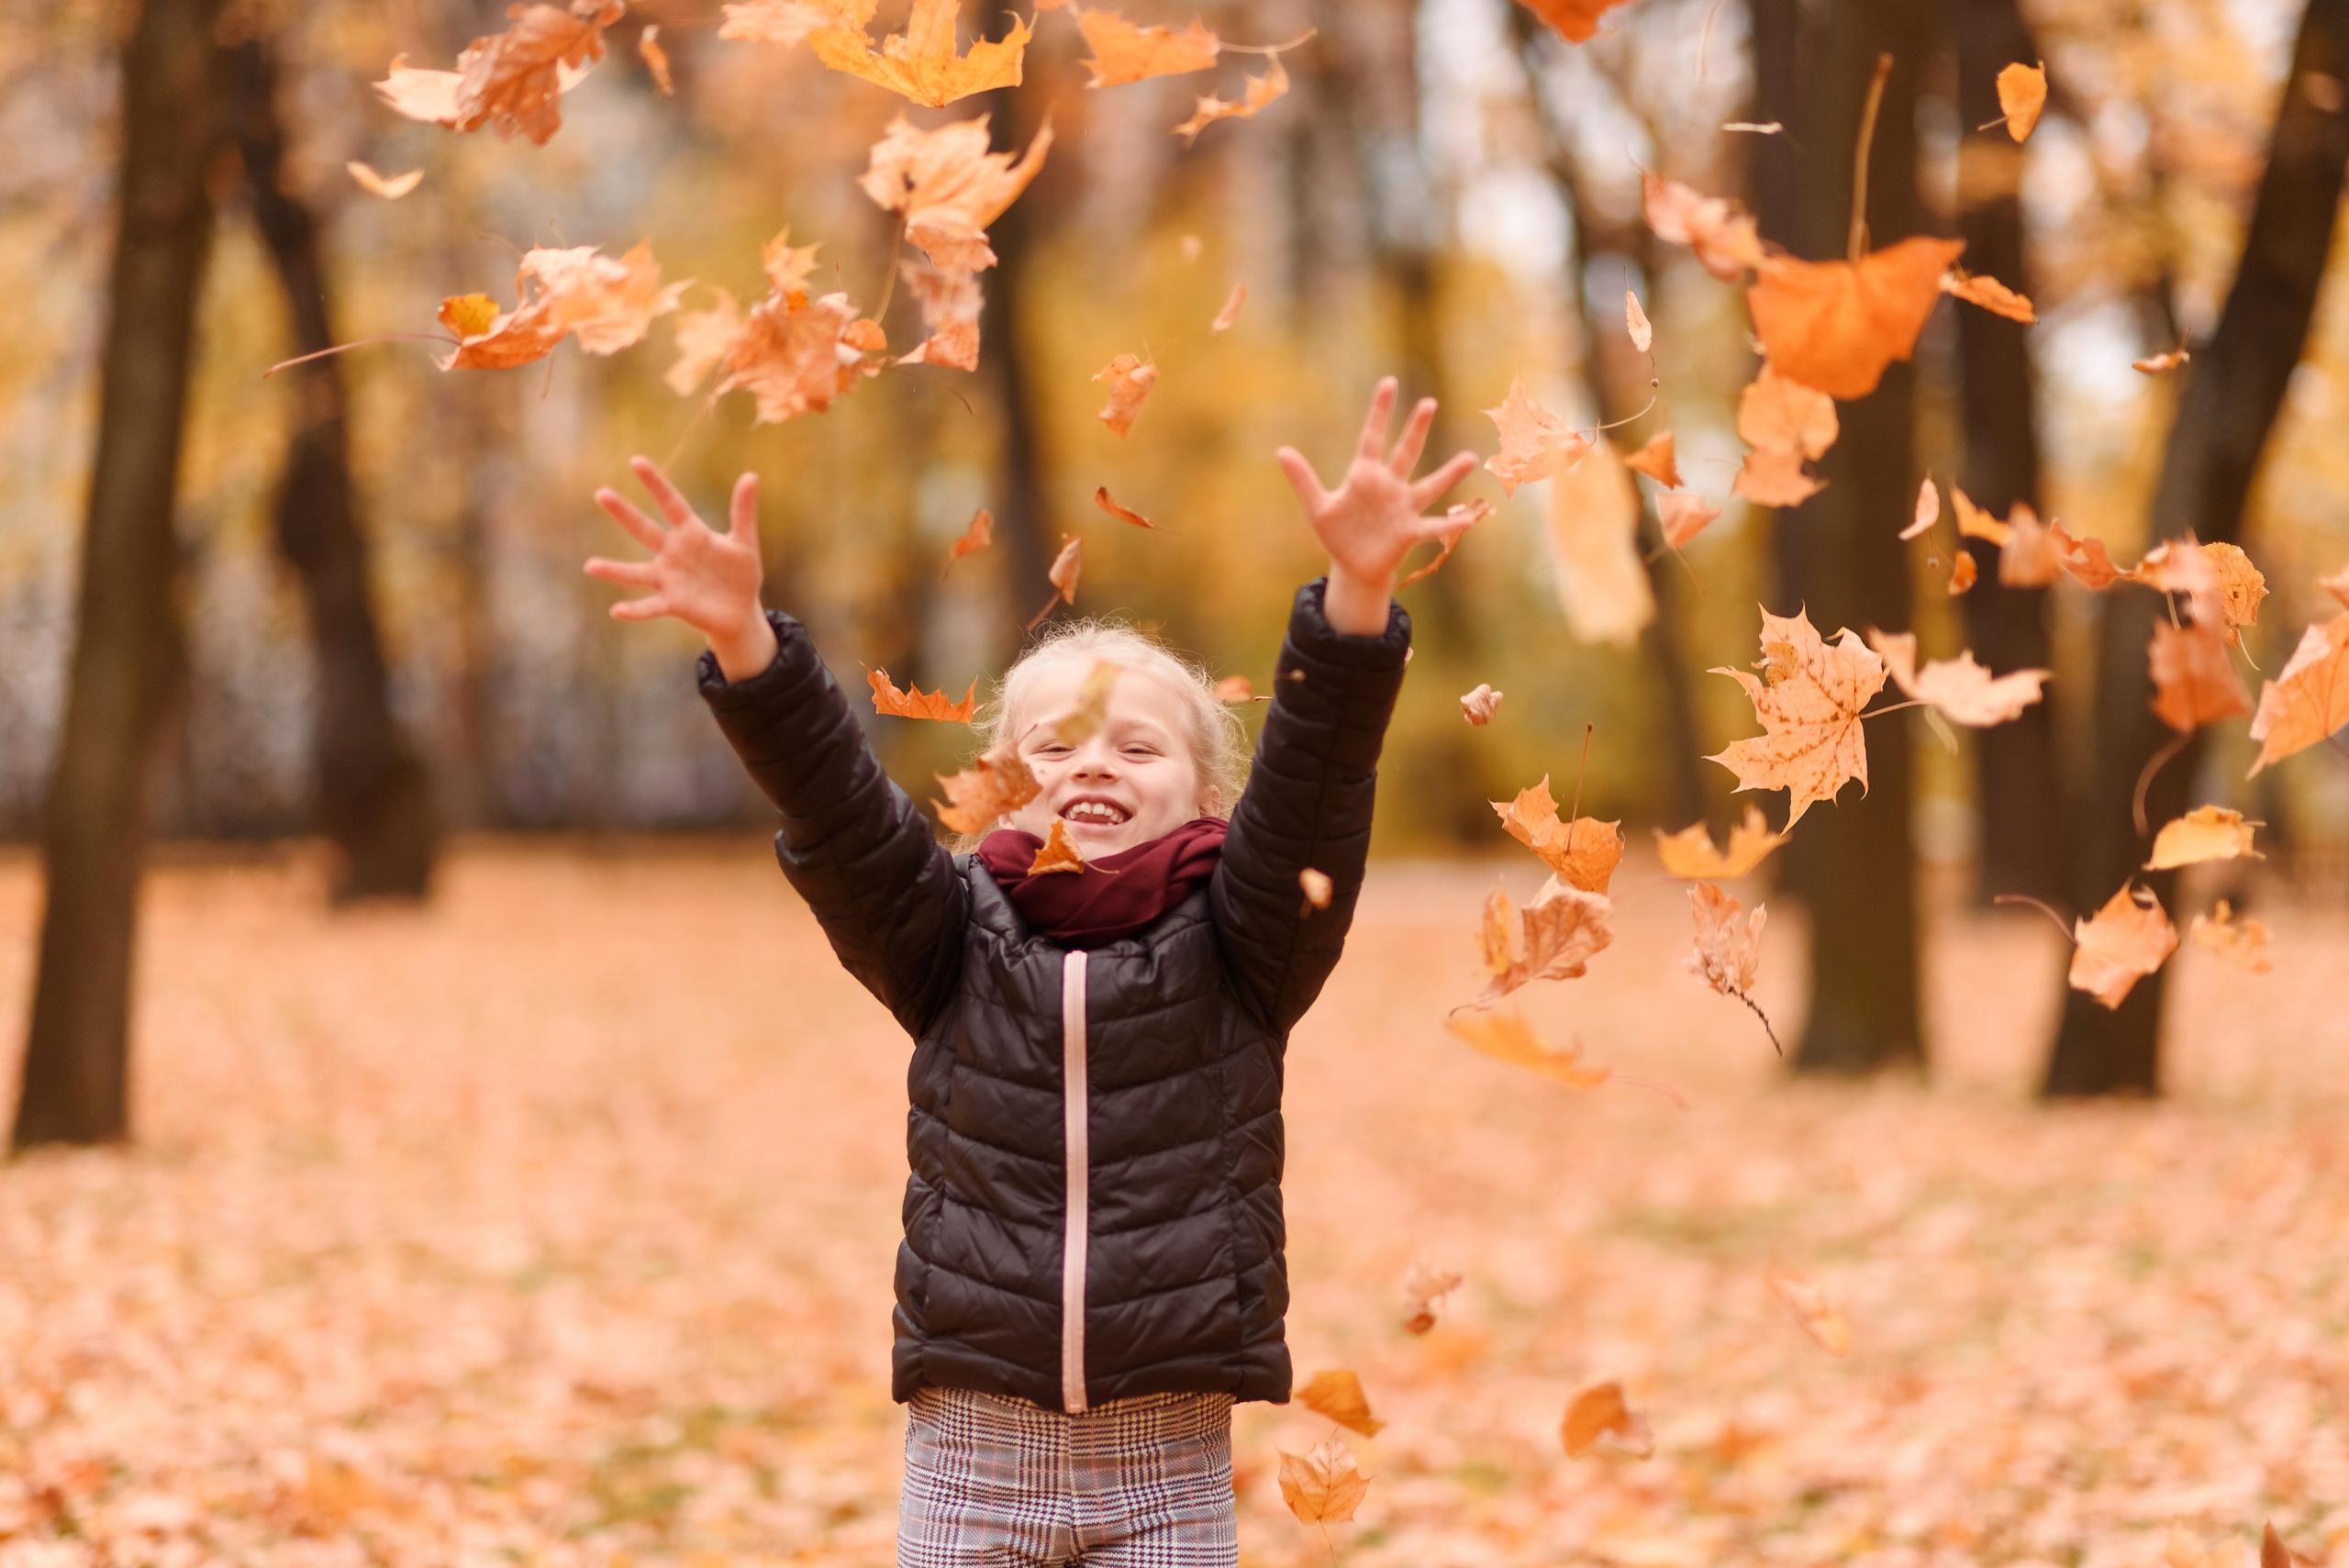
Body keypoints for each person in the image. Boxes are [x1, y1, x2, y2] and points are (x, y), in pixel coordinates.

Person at [584, 379, 1479, 1567]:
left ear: (1206, 796)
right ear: (1004, 783)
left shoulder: (1244, 943)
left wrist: (1355, 605)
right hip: (970, 1443)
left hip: (1167, 1454)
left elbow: (1316, 795)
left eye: (1135, 742)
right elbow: (843, 817)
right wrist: (751, 649)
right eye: (1052, 744)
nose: (1090, 763)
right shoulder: (950, 931)